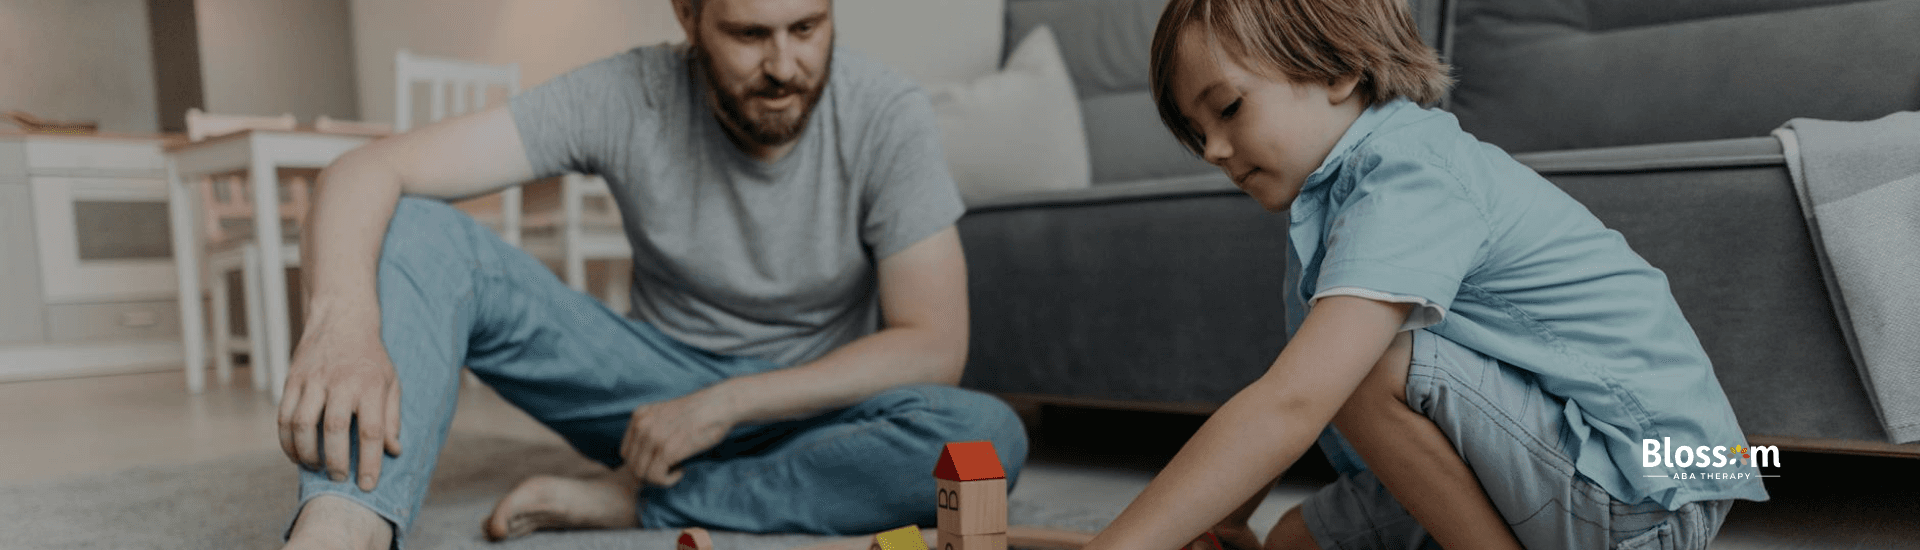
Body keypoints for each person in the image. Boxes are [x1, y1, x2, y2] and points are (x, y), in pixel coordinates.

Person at [275, 0, 1029, 548]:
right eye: (748, 33)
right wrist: (342, 322)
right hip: (649, 394)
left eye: (808, 27)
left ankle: (641, 503)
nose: (784, 65)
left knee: (984, 439)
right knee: (421, 225)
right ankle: (347, 524)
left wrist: (729, 403)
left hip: (813, 403)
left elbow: (933, 343)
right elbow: (369, 168)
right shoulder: (626, 92)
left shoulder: (887, 112)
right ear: (688, 16)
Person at [1080, 0, 1771, 549]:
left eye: (1227, 108)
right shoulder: (1341, 193)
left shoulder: (1411, 173)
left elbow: (1296, 400)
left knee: (1363, 368)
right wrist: (1229, 520)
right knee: (1296, 540)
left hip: (1643, 487)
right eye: (1197, 133)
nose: (1216, 150)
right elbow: (1296, 385)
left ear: (1338, 69)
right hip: (1580, 471)